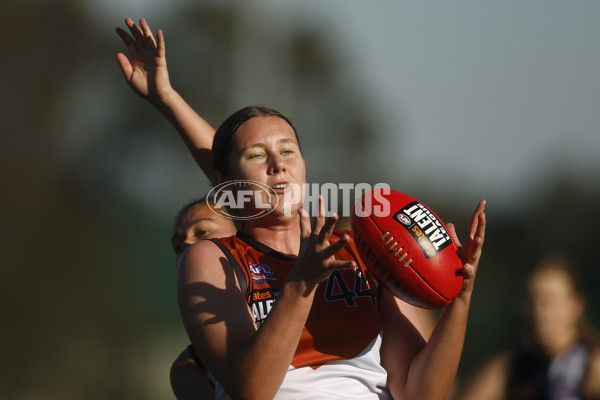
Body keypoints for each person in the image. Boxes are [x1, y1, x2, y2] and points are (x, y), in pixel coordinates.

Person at [116, 18, 487, 400]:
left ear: (305, 167)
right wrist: (300, 283)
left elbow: (421, 393)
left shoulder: (362, 247)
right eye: (258, 155)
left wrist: (461, 296)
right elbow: (252, 390)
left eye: (289, 151)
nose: (278, 164)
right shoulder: (213, 260)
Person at [457, 254, 600, 400]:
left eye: (549, 299)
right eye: (533, 298)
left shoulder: (591, 366)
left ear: (576, 305)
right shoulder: (511, 368)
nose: (539, 309)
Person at [170, 196, 237, 400]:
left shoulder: (307, 294)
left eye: (202, 232)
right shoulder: (189, 367)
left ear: (243, 234)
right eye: (178, 246)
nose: (187, 244)